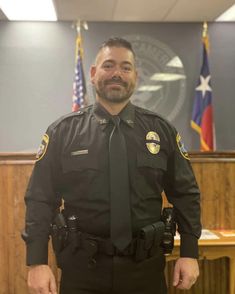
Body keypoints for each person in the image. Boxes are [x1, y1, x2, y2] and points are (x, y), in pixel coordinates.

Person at [23, 37, 201, 294]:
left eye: (125, 67)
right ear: (94, 73)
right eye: (108, 65)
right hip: (82, 270)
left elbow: (186, 194)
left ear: (135, 77)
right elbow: (40, 199)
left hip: (146, 270)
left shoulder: (161, 131)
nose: (117, 73)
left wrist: (189, 252)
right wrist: (37, 261)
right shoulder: (63, 132)